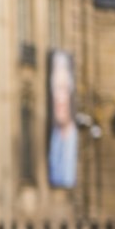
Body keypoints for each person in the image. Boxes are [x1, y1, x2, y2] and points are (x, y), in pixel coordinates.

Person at [48, 50, 78, 188]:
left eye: (64, 89)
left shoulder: (72, 137)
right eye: (57, 88)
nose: (60, 98)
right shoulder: (54, 137)